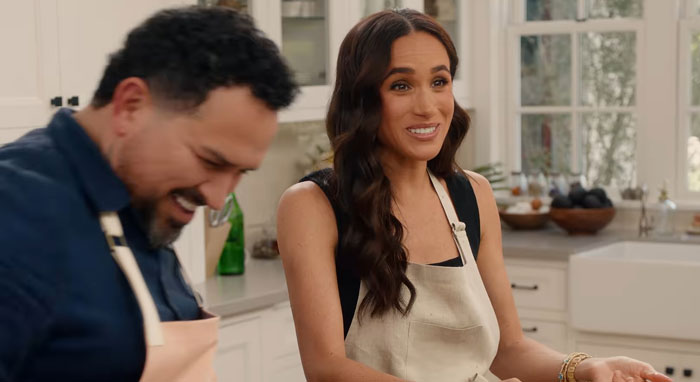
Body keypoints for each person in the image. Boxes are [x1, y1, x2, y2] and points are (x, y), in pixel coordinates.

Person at [277, 9, 670, 382]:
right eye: (401, 85)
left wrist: (583, 367)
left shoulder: (472, 195)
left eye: (439, 81)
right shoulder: (314, 205)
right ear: (362, 99)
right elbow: (326, 368)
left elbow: (507, 349)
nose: (428, 107)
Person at [0, 6, 296, 381]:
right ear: (130, 106)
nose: (219, 198)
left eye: (240, 172)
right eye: (210, 161)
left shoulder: (140, 200)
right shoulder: (14, 216)